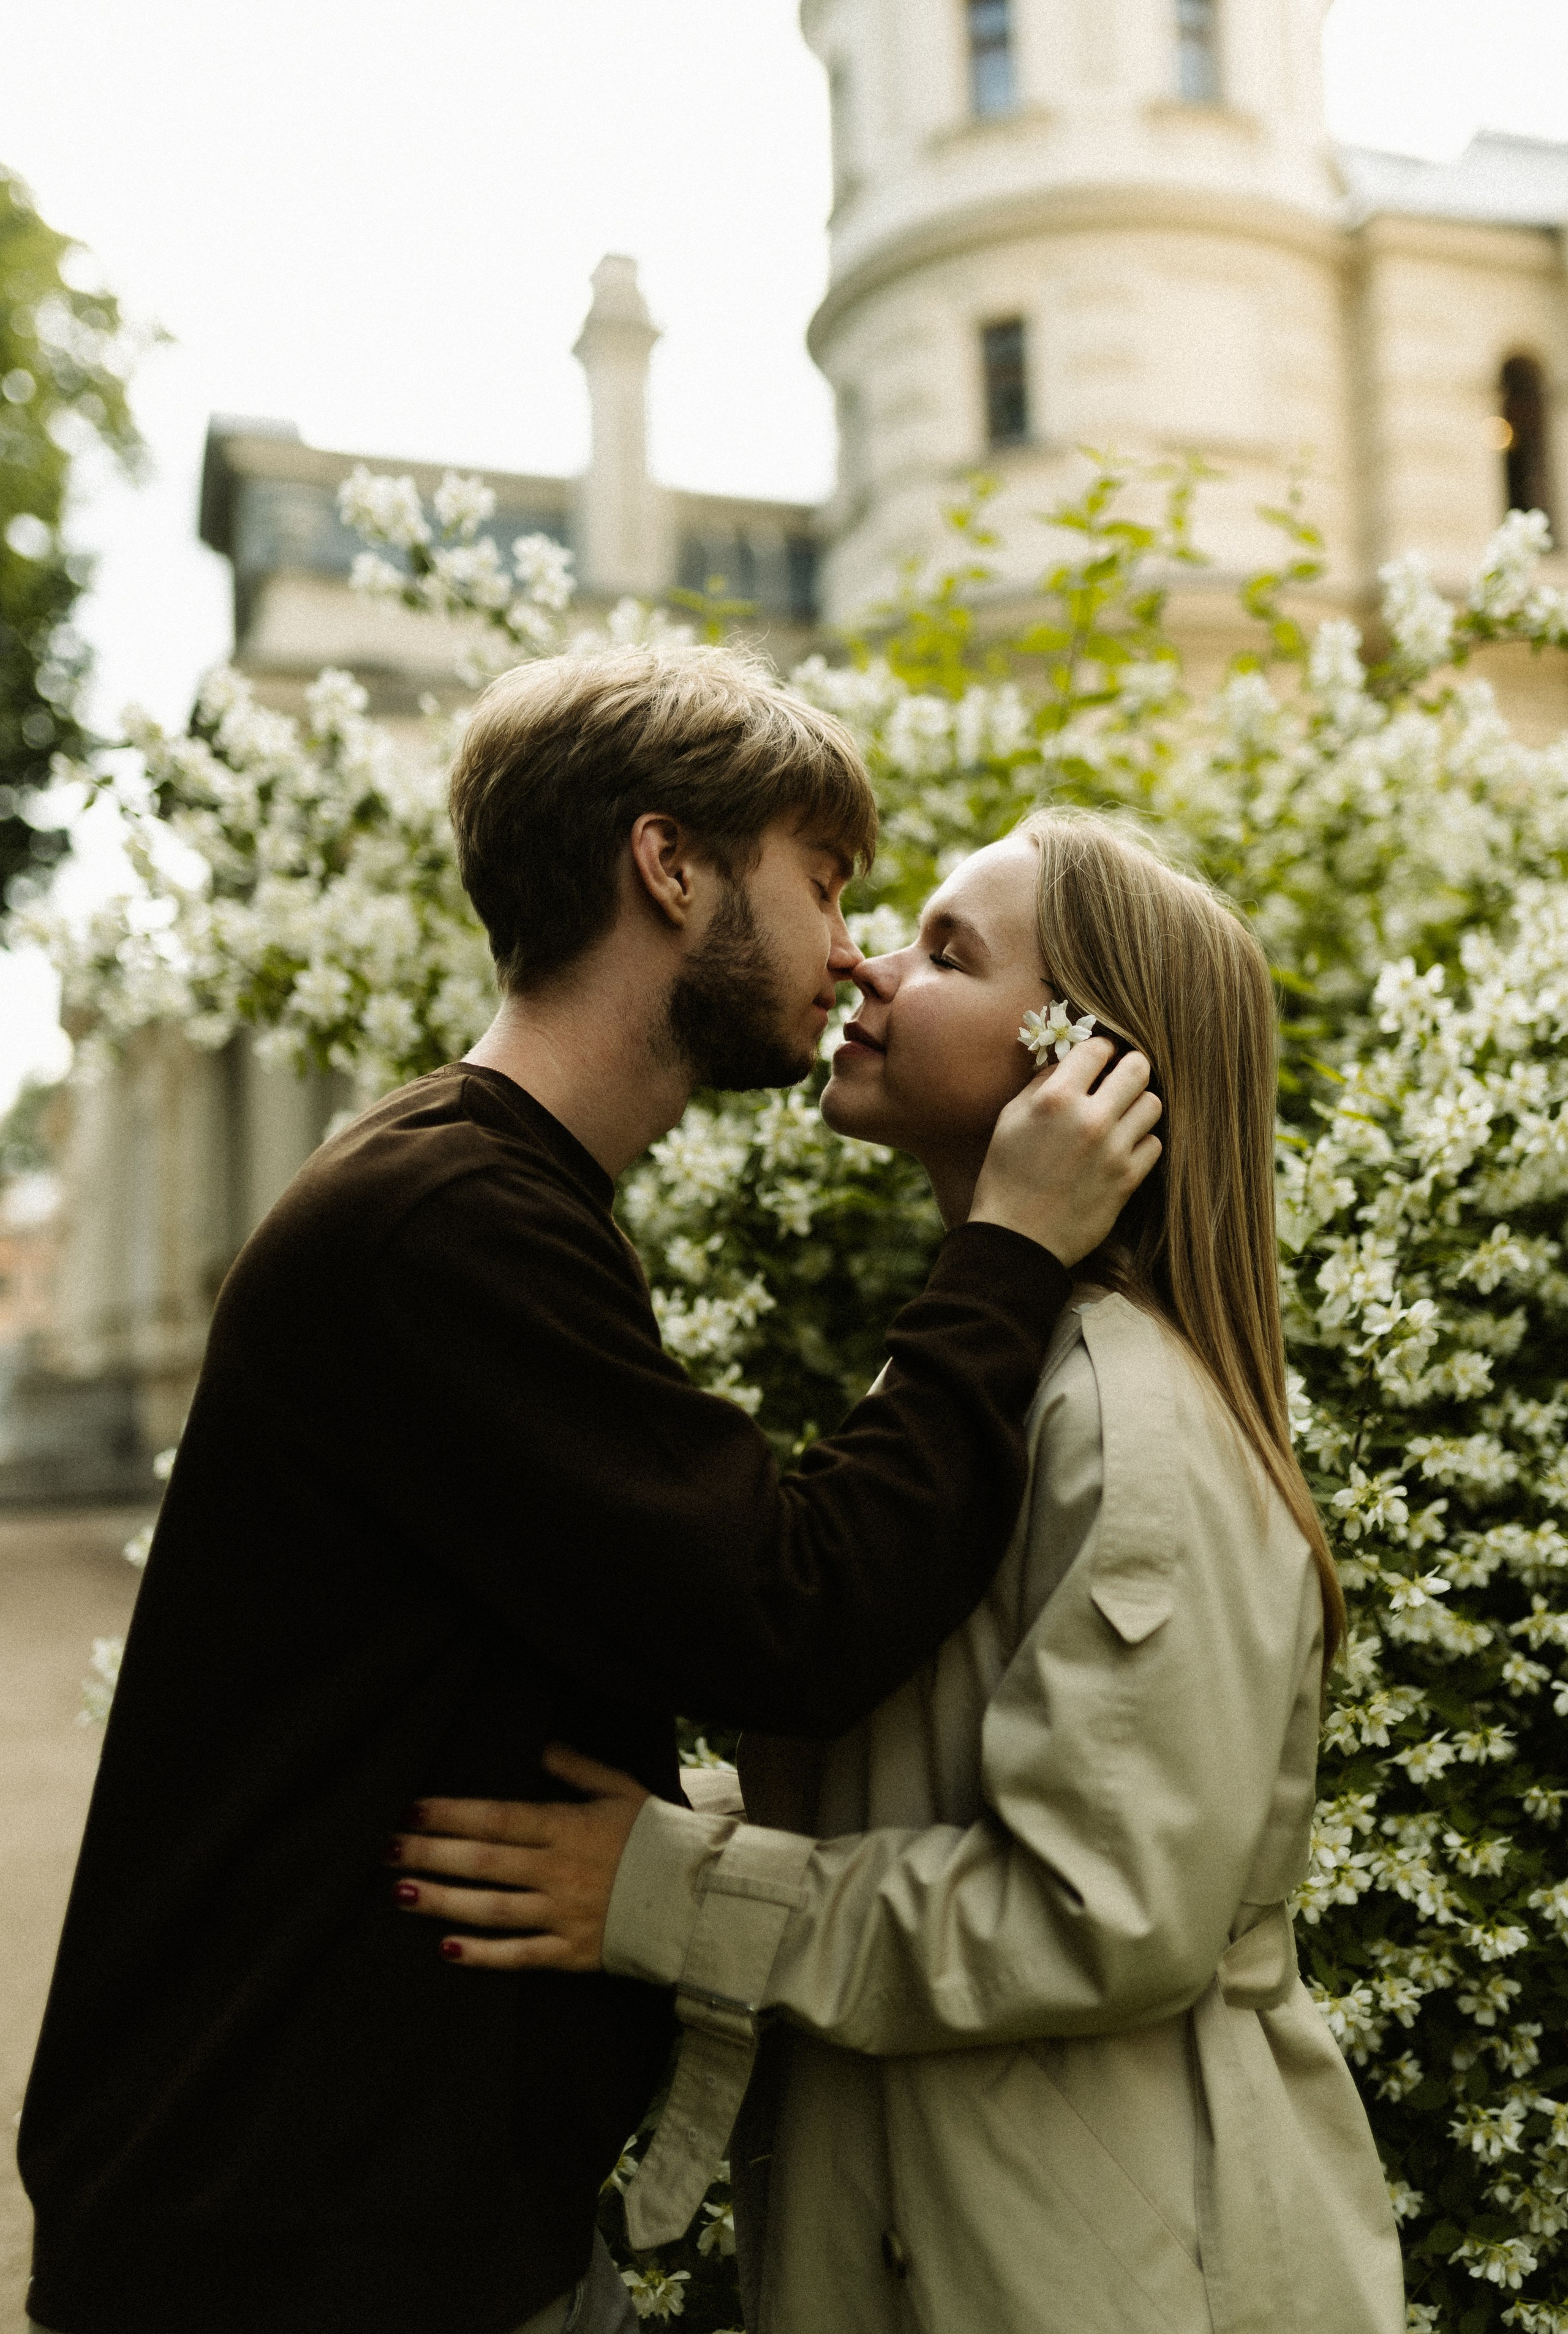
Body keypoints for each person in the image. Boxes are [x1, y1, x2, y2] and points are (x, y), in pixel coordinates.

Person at [18, 654, 1161, 2334]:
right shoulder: (449, 1222)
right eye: (824, 878)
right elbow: (794, 1610)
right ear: (670, 863)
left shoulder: (482, 1198)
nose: (852, 948)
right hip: (303, 2257)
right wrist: (1005, 1253)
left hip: (374, 2232)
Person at [389, 808, 1406, 2334]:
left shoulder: (1123, 1426)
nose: (863, 964)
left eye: (946, 952)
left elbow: (1096, 1910)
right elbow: (922, 1789)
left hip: (1098, 2269)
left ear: (1079, 1066)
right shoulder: (998, 1373)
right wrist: (646, 1825)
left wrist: (667, 1889)